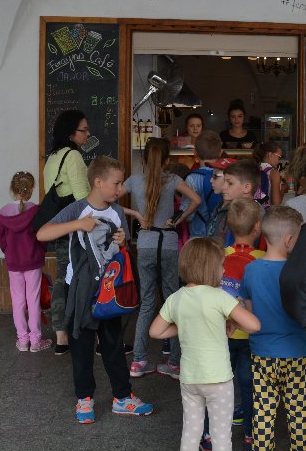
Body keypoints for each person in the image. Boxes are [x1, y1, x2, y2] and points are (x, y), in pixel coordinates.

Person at [35, 156, 154, 423]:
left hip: (109, 291)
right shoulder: (77, 209)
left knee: (113, 345)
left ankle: (122, 397)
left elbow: (120, 250)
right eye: (116, 183)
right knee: (81, 346)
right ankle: (84, 399)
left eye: (121, 183)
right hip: (80, 290)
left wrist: (122, 242)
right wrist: (78, 224)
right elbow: (42, 233)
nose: (120, 189)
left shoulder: (117, 212)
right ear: (98, 182)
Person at [149, 237, 261, 451]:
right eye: (221, 265)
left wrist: (186, 324)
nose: (224, 270)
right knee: (221, 435)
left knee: (191, 431)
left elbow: (155, 331)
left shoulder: (176, 298)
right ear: (210, 268)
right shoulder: (220, 297)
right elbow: (254, 325)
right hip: (218, 379)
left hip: (190, 378)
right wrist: (232, 322)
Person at [124, 137, 201, 379]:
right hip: (168, 243)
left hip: (146, 243)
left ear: (144, 159)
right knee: (172, 301)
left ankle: (138, 361)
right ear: (167, 160)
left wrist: (135, 213)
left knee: (147, 303)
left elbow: (108, 199)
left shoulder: (134, 180)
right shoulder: (173, 179)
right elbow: (196, 200)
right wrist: (178, 219)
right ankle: (175, 363)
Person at [239, 206, 306, 451]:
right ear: (289, 240)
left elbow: (249, 313)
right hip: (297, 353)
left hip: (262, 353)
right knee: (299, 413)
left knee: (263, 412)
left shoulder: (251, 270)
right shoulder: (299, 272)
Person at [43, 110, 91, 356]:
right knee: (82, 275)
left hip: (58, 223)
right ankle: (87, 332)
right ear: (71, 133)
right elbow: (83, 198)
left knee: (62, 273)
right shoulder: (73, 156)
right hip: (75, 226)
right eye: (84, 130)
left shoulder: (52, 157)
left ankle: (61, 334)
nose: (88, 134)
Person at [221, 198, 266, 444]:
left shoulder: (220, 256)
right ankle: (250, 432)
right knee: (250, 387)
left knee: (221, 383)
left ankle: (213, 433)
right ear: (258, 227)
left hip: (224, 332)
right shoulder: (263, 258)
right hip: (251, 335)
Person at [0, 171, 51, 353]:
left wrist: (10, 253)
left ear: (12, 189)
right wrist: (40, 251)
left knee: (18, 301)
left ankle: (22, 340)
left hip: (14, 262)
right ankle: (36, 341)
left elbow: (2, 241)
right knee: (33, 300)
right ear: (31, 189)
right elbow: (42, 236)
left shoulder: (3, 213)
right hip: (33, 261)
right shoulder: (36, 211)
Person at [184, 130, 224, 238]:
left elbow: (188, 215)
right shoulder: (226, 176)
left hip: (198, 235)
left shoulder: (191, 178)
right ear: (220, 152)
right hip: (219, 235)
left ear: (195, 152)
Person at [252, 141, 284, 207]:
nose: (279, 161)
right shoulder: (273, 173)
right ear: (270, 155)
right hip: (264, 210)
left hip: (251, 207)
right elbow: (276, 203)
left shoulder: (252, 168)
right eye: (279, 157)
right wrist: (283, 189)